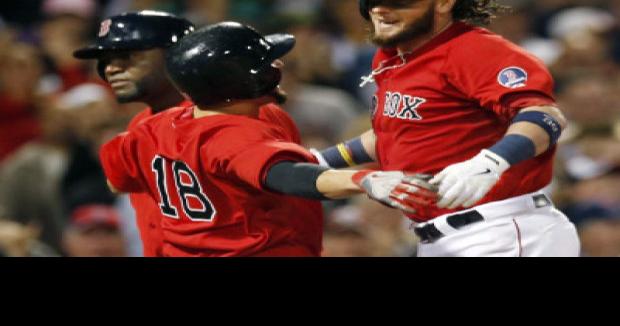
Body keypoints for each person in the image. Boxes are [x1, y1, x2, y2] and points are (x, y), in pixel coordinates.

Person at [99, 22, 427, 257]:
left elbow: (116, 180)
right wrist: (366, 179)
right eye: (267, 61)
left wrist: (361, 149)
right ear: (242, 80)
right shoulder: (235, 133)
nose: (279, 64)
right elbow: (289, 176)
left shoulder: (152, 127)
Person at [312, 0, 580, 257]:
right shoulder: (392, 57)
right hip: (440, 237)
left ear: (443, 3)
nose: (381, 9)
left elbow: (545, 116)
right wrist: (322, 160)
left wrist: (492, 161)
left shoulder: (474, 48)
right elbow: (394, 133)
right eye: (374, 2)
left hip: (501, 229)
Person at [73, 10, 195, 256]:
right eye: (106, 59)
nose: (110, 69)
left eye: (126, 55)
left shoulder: (230, 115)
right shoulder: (139, 127)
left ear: (176, 54)